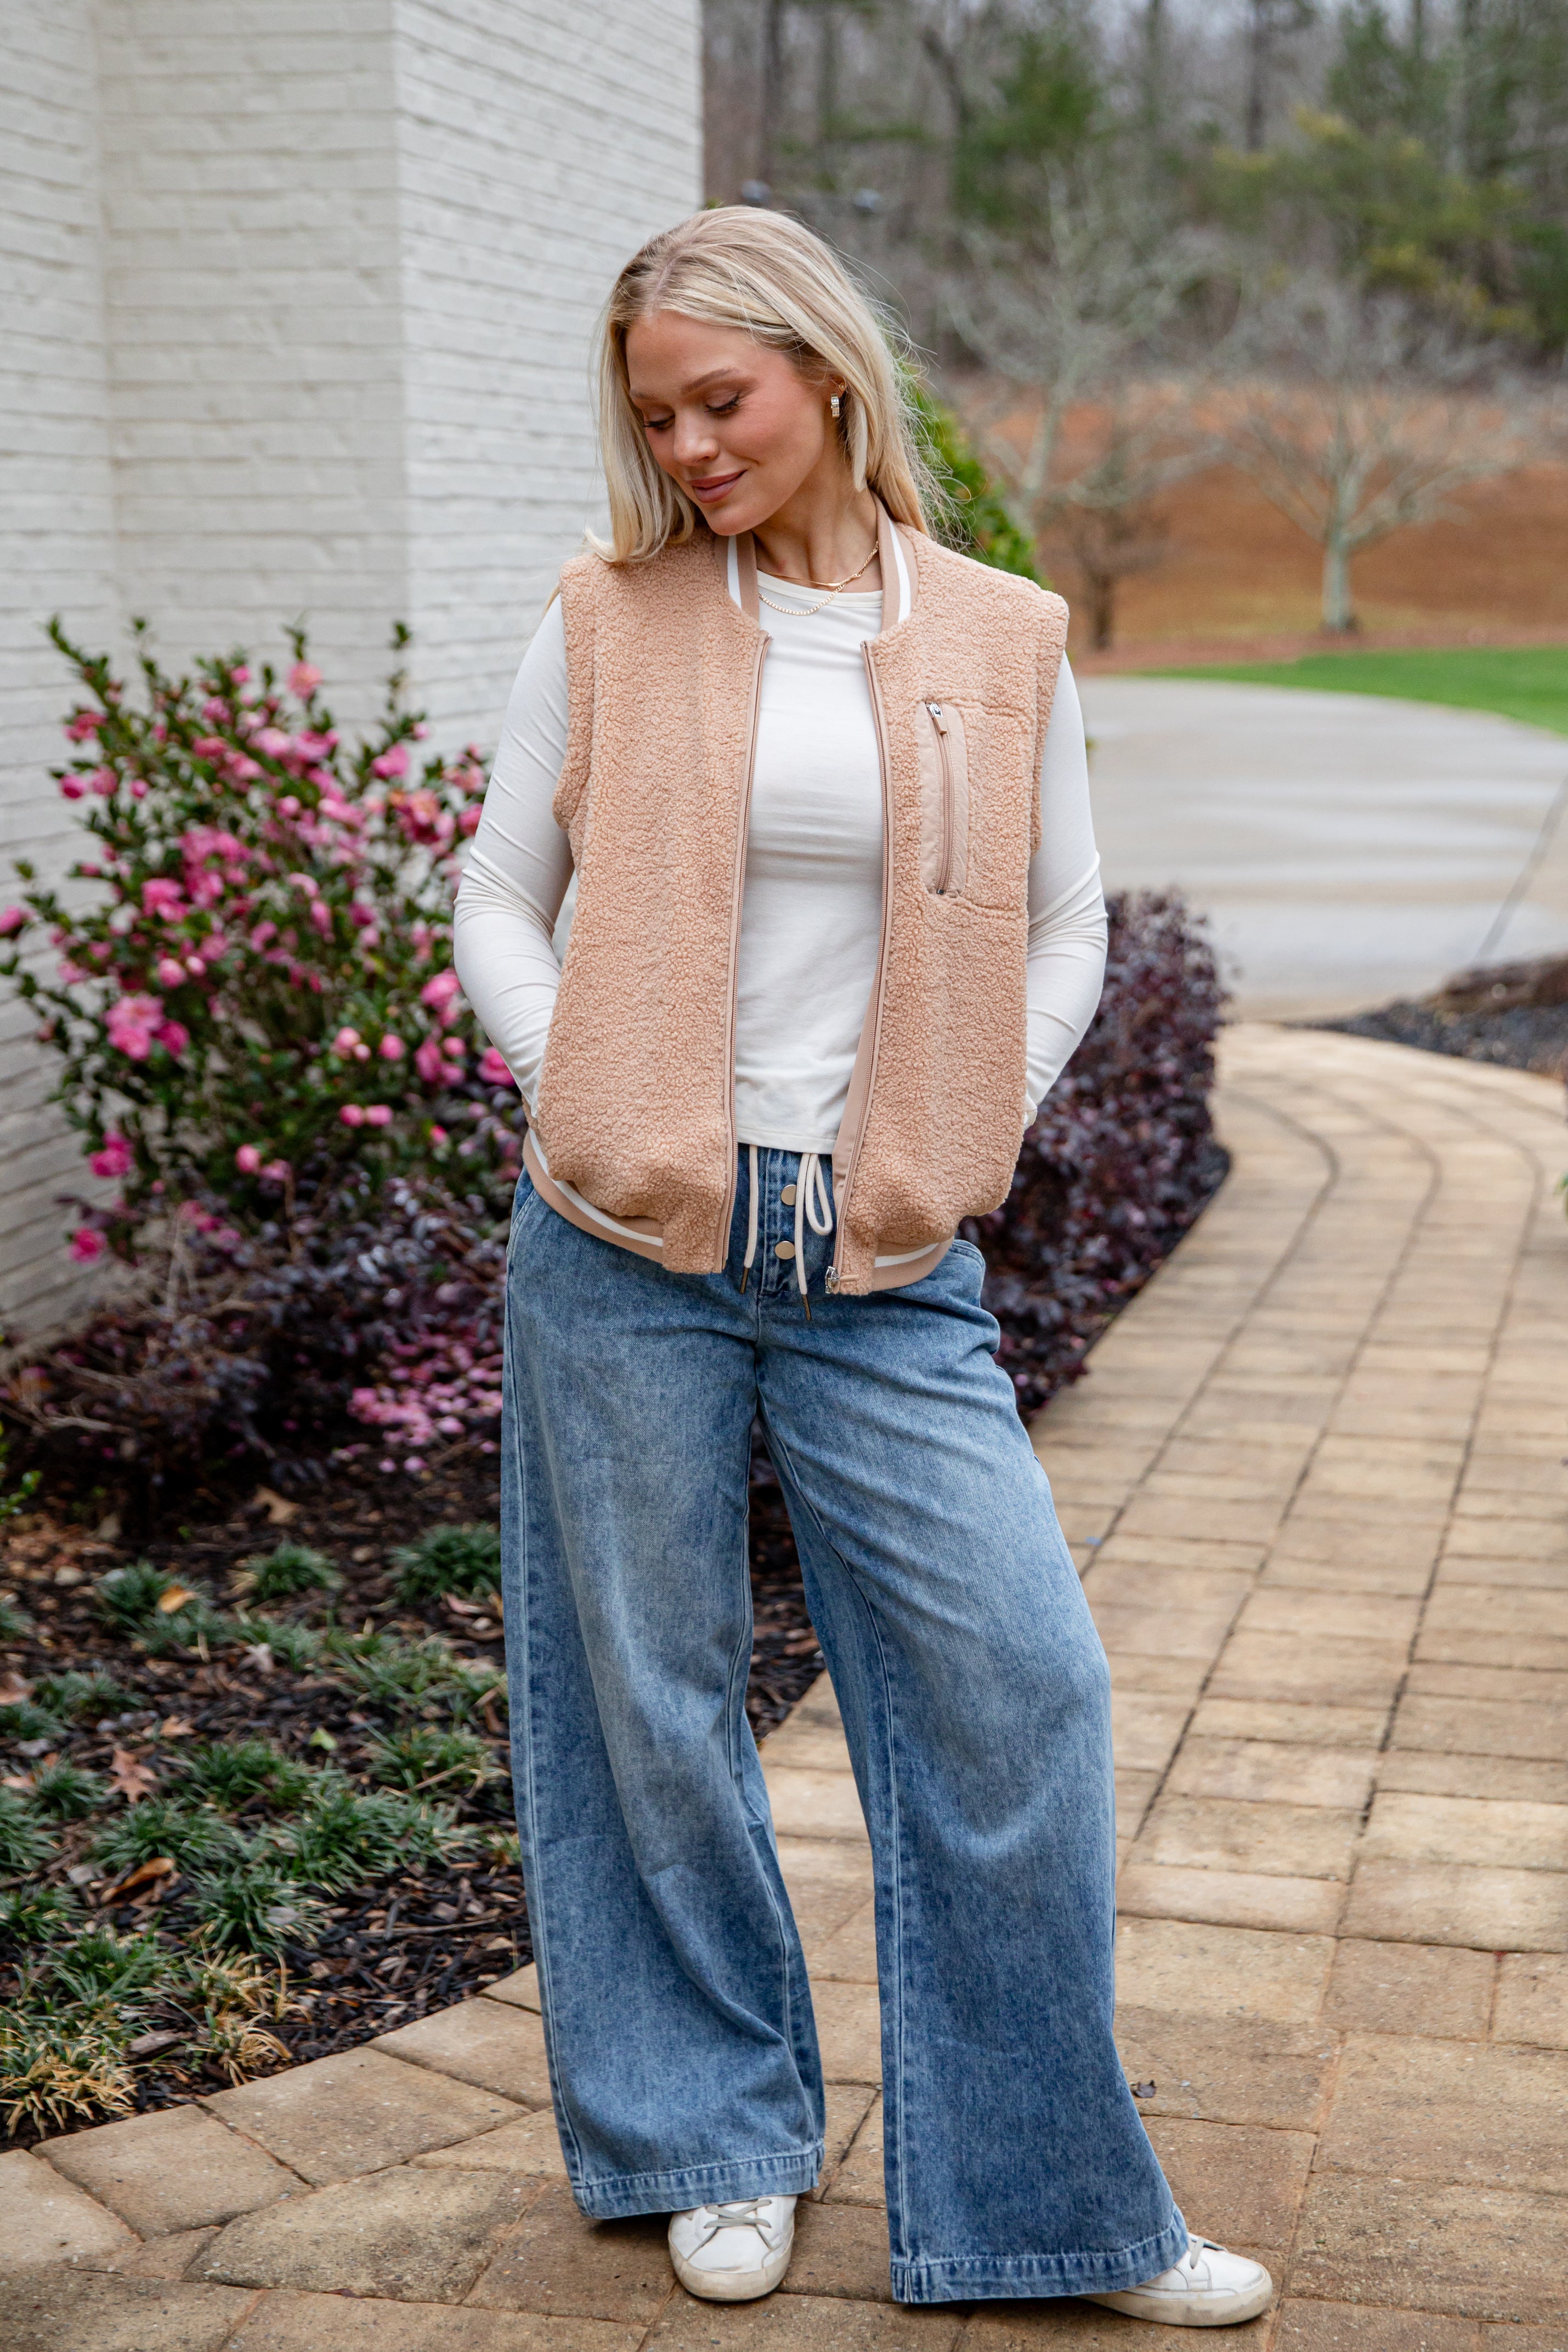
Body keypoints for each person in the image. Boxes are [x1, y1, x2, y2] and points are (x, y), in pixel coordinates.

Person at [454, 206, 1271, 2326]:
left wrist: (965, 1120)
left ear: (824, 374)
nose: (690, 446)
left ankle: (1048, 2203)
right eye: (656, 417)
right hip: (625, 1247)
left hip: (885, 1257)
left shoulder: (999, 636)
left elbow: (1067, 919)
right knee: (646, 1697)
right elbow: (494, 898)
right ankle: (706, 2135)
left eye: (717, 402)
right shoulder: (612, 617)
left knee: (1022, 1691)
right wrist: (590, 1109)